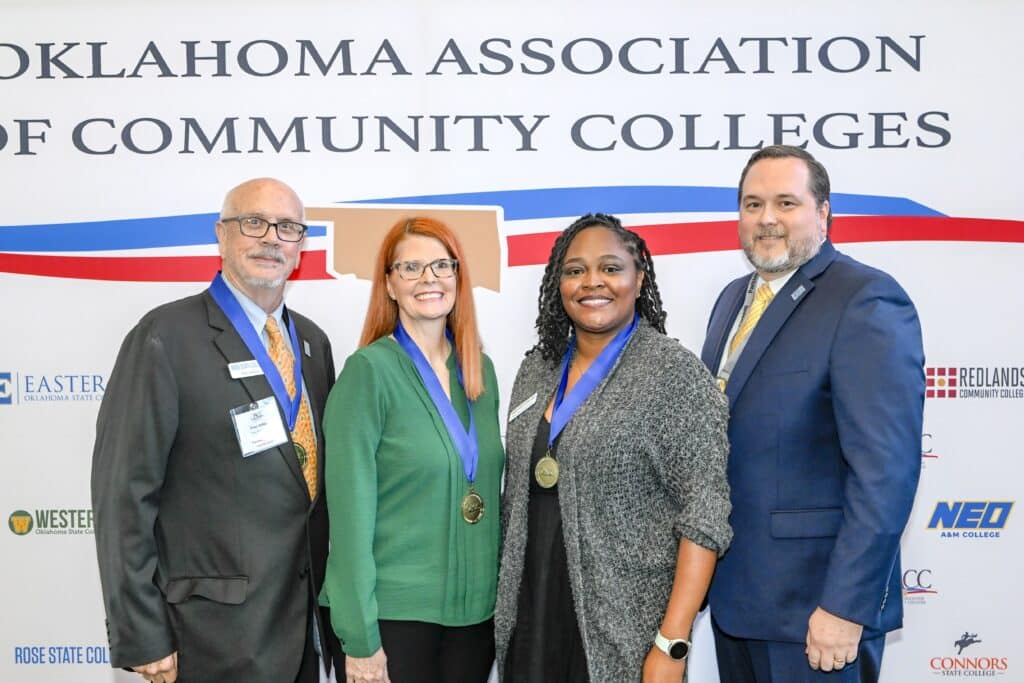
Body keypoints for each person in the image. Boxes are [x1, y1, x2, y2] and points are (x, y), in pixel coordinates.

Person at [91, 178, 339, 683]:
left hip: (303, 635)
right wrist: (143, 631)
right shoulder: (166, 337)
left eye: (288, 228)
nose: (272, 238)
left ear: (301, 248)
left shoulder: (313, 344)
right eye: (254, 222)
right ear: (221, 235)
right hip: (209, 639)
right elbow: (124, 495)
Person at [701, 145, 924, 682]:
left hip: (816, 615)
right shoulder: (732, 299)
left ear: (823, 212)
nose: (767, 219)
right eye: (752, 204)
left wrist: (846, 607)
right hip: (739, 605)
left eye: (786, 202)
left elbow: (885, 471)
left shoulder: (865, 299)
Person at [495, 213, 732, 683]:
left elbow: (704, 519)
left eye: (610, 267)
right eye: (575, 270)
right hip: (530, 620)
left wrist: (672, 643)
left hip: (625, 633)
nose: (592, 282)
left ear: (639, 276)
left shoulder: (674, 376)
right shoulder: (537, 370)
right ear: (557, 284)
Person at [321, 217, 504, 683]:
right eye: (411, 267)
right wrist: (360, 640)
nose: (429, 279)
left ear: (458, 278)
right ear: (389, 284)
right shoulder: (368, 373)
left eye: (441, 265)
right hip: (393, 620)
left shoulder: (479, 371)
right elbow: (348, 521)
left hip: (473, 620)